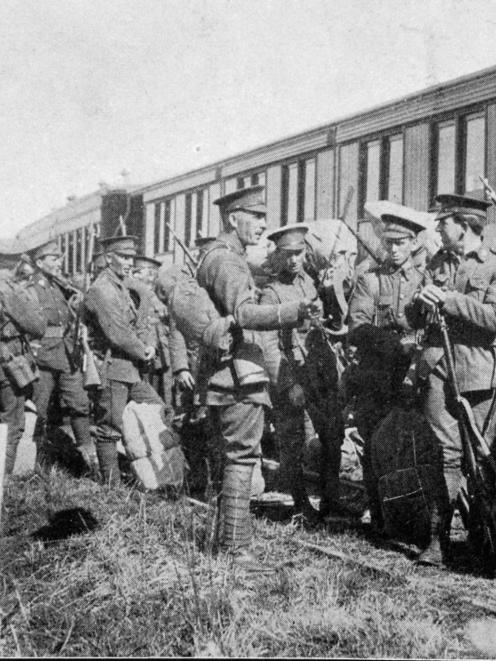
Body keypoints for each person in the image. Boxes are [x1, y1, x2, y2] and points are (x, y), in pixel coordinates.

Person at [196, 185, 320, 571]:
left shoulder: (222, 258)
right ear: (234, 219)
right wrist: (294, 310)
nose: (264, 225)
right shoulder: (228, 262)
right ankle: (237, 550)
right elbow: (246, 313)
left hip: (229, 372)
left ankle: (231, 543)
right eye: (257, 217)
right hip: (238, 375)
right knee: (241, 458)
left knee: (235, 458)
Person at [407, 194, 496, 566]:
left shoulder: (491, 265)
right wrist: (420, 302)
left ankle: (483, 539)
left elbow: (493, 320)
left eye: (444, 221)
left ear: (464, 224)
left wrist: (448, 300)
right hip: (438, 370)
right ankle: (437, 541)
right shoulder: (436, 262)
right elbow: (413, 317)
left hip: (477, 374)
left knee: (481, 459)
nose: (438, 227)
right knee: (443, 455)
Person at [347, 209, 428, 530]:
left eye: (401, 243)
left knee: (411, 447)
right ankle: (377, 509)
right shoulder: (370, 279)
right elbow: (357, 326)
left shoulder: (424, 281)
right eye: (389, 243)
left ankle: (407, 512)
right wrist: (396, 345)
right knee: (373, 444)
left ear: (412, 244)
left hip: (411, 377)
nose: (394, 249)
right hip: (375, 377)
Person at [260, 223, 345, 521]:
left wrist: (328, 296)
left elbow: (330, 324)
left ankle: (331, 501)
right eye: (287, 254)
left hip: (319, 371)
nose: (294, 259)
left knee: (333, 435)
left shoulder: (310, 283)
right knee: (291, 441)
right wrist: (287, 385)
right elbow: (268, 346)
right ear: (278, 255)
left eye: (299, 253)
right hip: (291, 373)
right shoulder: (271, 293)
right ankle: (300, 504)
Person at [82, 235, 165, 486]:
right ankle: (111, 488)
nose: (129, 262)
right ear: (109, 258)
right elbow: (118, 333)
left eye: (131, 257)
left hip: (129, 368)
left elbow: (141, 320)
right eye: (124, 257)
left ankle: (147, 472)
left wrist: (149, 344)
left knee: (157, 409)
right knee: (109, 428)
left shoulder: (122, 286)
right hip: (112, 367)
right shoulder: (101, 290)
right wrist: (144, 351)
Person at [29, 241, 95, 469]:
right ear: (39, 262)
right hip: (43, 357)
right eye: (54, 259)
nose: (59, 263)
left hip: (67, 355)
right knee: (39, 409)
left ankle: (87, 456)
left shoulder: (61, 287)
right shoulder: (30, 288)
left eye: (59, 259)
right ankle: (36, 461)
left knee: (80, 403)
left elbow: (71, 314)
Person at [0, 268, 46, 478]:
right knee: (12, 424)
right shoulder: (8, 289)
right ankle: (3, 483)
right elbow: (37, 326)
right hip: (7, 363)